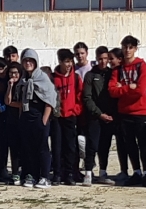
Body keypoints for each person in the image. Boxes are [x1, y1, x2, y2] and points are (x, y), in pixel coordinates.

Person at [109, 35, 146, 186]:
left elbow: (140, 90)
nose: (127, 50)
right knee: (130, 144)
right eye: (125, 47)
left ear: (135, 49)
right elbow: (112, 91)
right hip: (124, 112)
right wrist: (129, 87)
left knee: (143, 143)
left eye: (130, 47)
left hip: (140, 111)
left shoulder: (142, 66)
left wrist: (123, 88)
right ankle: (136, 172)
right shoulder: (118, 69)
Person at [16, 48, 57, 189]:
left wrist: (44, 119)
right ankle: (32, 175)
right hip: (26, 117)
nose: (28, 63)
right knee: (28, 148)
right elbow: (21, 100)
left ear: (36, 62)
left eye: (30, 60)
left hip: (39, 117)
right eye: (25, 60)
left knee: (42, 147)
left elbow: (50, 99)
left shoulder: (42, 78)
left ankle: (45, 177)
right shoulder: (23, 78)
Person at [81, 46, 117, 186]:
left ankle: (103, 172)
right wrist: (99, 113)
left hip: (109, 117)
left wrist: (110, 114)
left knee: (105, 145)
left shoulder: (111, 73)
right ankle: (88, 173)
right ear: (96, 59)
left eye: (105, 59)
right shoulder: (90, 75)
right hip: (95, 117)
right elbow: (87, 97)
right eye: (100, 59)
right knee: (92, 145)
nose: (103, 61)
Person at [52, 48, 84, 185]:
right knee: (57, 146)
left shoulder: (76, 77)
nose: (69, 65)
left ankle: (70, 173)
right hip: (57, 117)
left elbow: (80, 96)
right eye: (66, 62)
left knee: (70, 146)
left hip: (70, 116)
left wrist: (76, 110)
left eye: (71, 61)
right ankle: (58, 174)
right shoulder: (53, 78)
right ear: (60, 62)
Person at [107, 47, 128, 179]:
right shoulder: (113, 72)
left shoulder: (126, 71)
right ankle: (124, 170)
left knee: (127, 143)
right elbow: (112, 90)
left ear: (119, 59)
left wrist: (123, 87)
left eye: (111, 59)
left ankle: (136, 170)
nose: (109, 61)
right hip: (114, 112)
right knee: (120, 143)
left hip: (125, 112)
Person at [4, 61, 24, 185]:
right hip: (12, 120)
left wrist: (11, 104)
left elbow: (22, 103)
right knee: (14, 148)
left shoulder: (24, 85)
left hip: (23, 120)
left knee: (25, 148)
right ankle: (15, 173)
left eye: (16, 73)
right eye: (11, 73)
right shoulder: (9, 85)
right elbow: (7, 100)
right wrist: (10, 87)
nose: (13, 75)